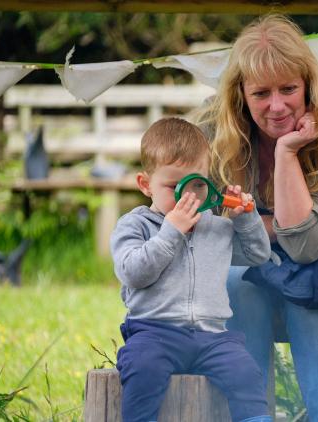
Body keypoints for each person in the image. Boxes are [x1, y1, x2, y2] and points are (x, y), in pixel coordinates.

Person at [198, 14, 318, 421]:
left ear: (309, 84)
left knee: (313, 300)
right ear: (240, 94)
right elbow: (198, 231)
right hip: (243, 265)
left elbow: (308, 250)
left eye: (289, 89)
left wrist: (288, 153)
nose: (276, 106)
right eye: (261, 94)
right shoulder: (208, 130)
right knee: (238, 285)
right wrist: (279, 228)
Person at [111, 117, 273, 422]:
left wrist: (245, 219)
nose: (187, 197)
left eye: (196, 184)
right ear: (145, 184)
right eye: (174, 186)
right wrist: (170, 232)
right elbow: (133, 273)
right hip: (153, 331)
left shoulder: (215, 227)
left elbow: (258, 254)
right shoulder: (135, 225)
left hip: (212, 336)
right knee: (142, 368)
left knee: (246, 372)